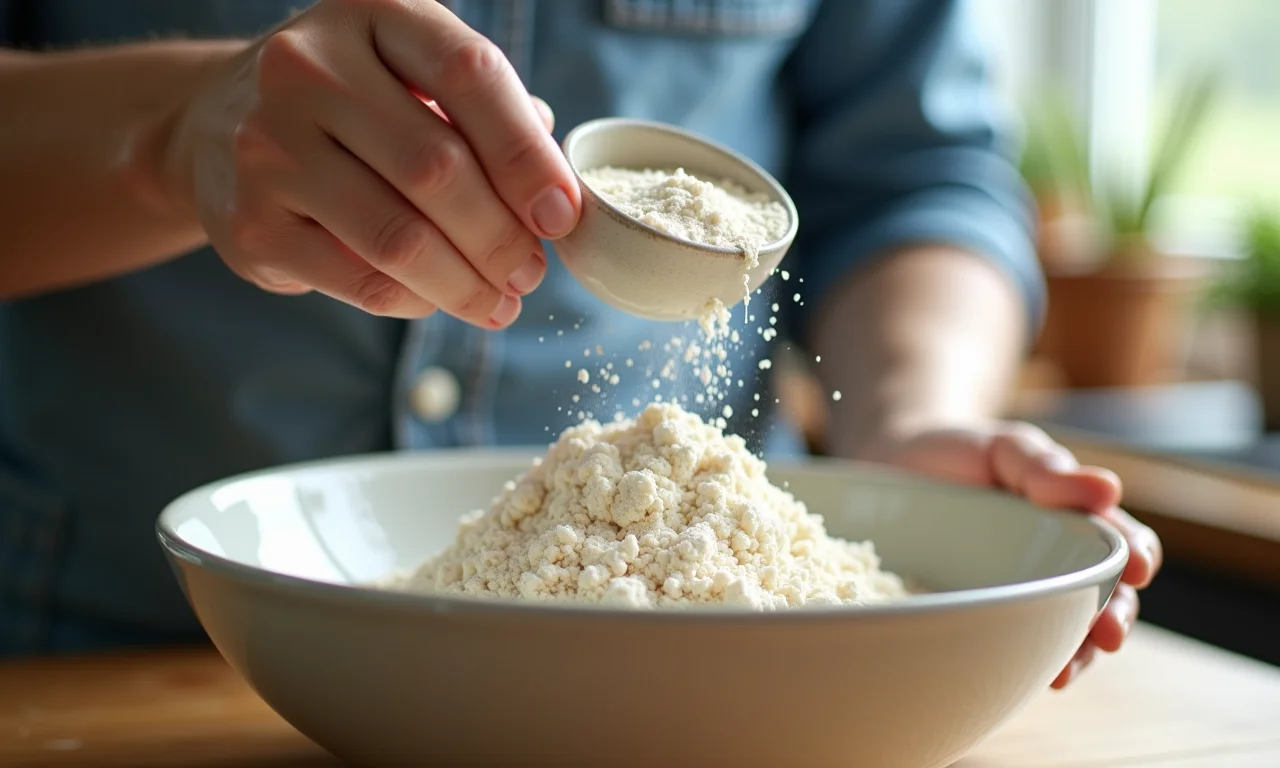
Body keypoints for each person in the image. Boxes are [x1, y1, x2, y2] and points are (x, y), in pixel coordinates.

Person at [0, 0, 1159, 687]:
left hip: (730, 686)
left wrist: (909, 419)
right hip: (129, 663)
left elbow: (911, 177)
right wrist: (168, 133)